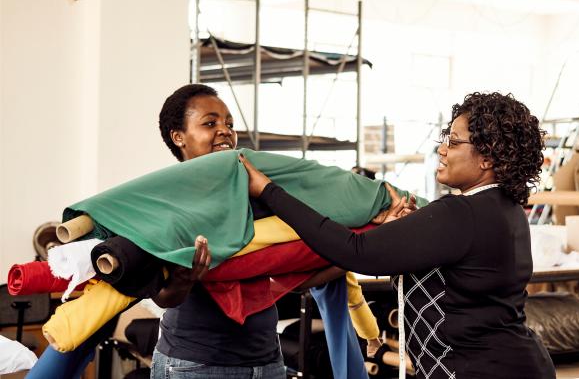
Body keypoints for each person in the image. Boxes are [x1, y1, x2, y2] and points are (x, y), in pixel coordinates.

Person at [239, 92, 556, 379]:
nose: (442, 149)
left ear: (487, 157)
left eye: (455, 142)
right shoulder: (504, 210)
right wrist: (399, 231)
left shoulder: (462, 212)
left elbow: (355, 251)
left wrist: (270, 192)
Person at [151, 83, 287, 379]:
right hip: (198, 365)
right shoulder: (167, 200)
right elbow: (163, 296)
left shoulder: (254, 194)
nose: (225, 130)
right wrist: (184, 280)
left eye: (229, 123)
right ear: (179, 137)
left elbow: (289, 263)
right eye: (210, 123)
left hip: (268, 362)